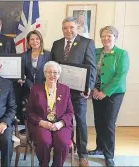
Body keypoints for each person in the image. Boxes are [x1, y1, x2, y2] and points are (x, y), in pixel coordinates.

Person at [50, 16, 96, 166]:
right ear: (62, 29)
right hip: (60, 92)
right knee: (62, 121)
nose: (68, 30)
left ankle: (83, 154)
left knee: (81, 122)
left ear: (77, 28)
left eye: (71, 27)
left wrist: (88, 86)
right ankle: (66, 147)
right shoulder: (56, 44)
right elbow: (52, 66)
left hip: (78, 93)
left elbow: (92, 67)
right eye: (65, 28)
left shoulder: (87, 43)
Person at [88, 26, 130, 167]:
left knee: (109, 123)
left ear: (115, 37)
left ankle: (109, 155)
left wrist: (104, 92)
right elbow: (90, 70)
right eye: (103, 36)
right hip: (96, 90)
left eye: (109, 36)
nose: (106, 38)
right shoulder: (95, 52)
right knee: (98, 121)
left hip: (114, 93)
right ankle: (99, 148)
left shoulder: (121, 54)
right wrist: (93, 88)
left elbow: (120, 76)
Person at [26, 61, 74, 167]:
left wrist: (60, 124)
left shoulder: (65, 89)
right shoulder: (35, 89)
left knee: (62, 142)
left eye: (55, 72)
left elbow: (70, 112)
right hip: (41, 123)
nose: (52, 75)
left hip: (60, 124)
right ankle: (43, 164)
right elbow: (29, 111)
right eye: (49, 72)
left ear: (59, 74)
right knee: (44, 142)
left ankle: (57, 165)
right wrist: (41, 122)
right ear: (45, 73)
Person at [17, 30, 50, 124]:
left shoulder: (48, 55)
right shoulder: (24, 55)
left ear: (41, 40)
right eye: (32, 39)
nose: (34, 41)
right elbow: (22, 74)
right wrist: (30, 85)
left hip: (44, 90)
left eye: (37, 39)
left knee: (42, 114)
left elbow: (51, 73)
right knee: (29, 114)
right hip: (28, 90)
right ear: (28, 41)